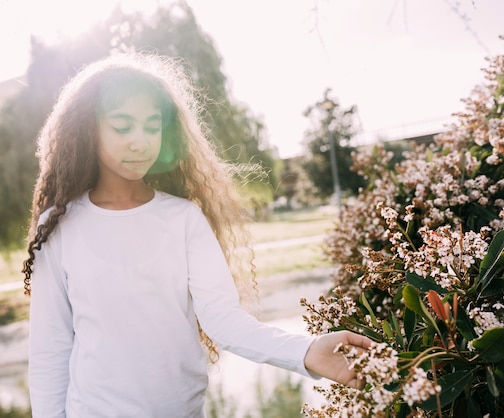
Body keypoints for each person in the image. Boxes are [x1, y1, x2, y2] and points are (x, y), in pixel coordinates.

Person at [22, 52, 373, 418]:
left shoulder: (183, 218)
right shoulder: (60, 224)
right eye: (122, 126)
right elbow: (51, 348)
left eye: (152, 126)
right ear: (88, 130)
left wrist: (307, 351)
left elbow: (225, 322)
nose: (139, 141)